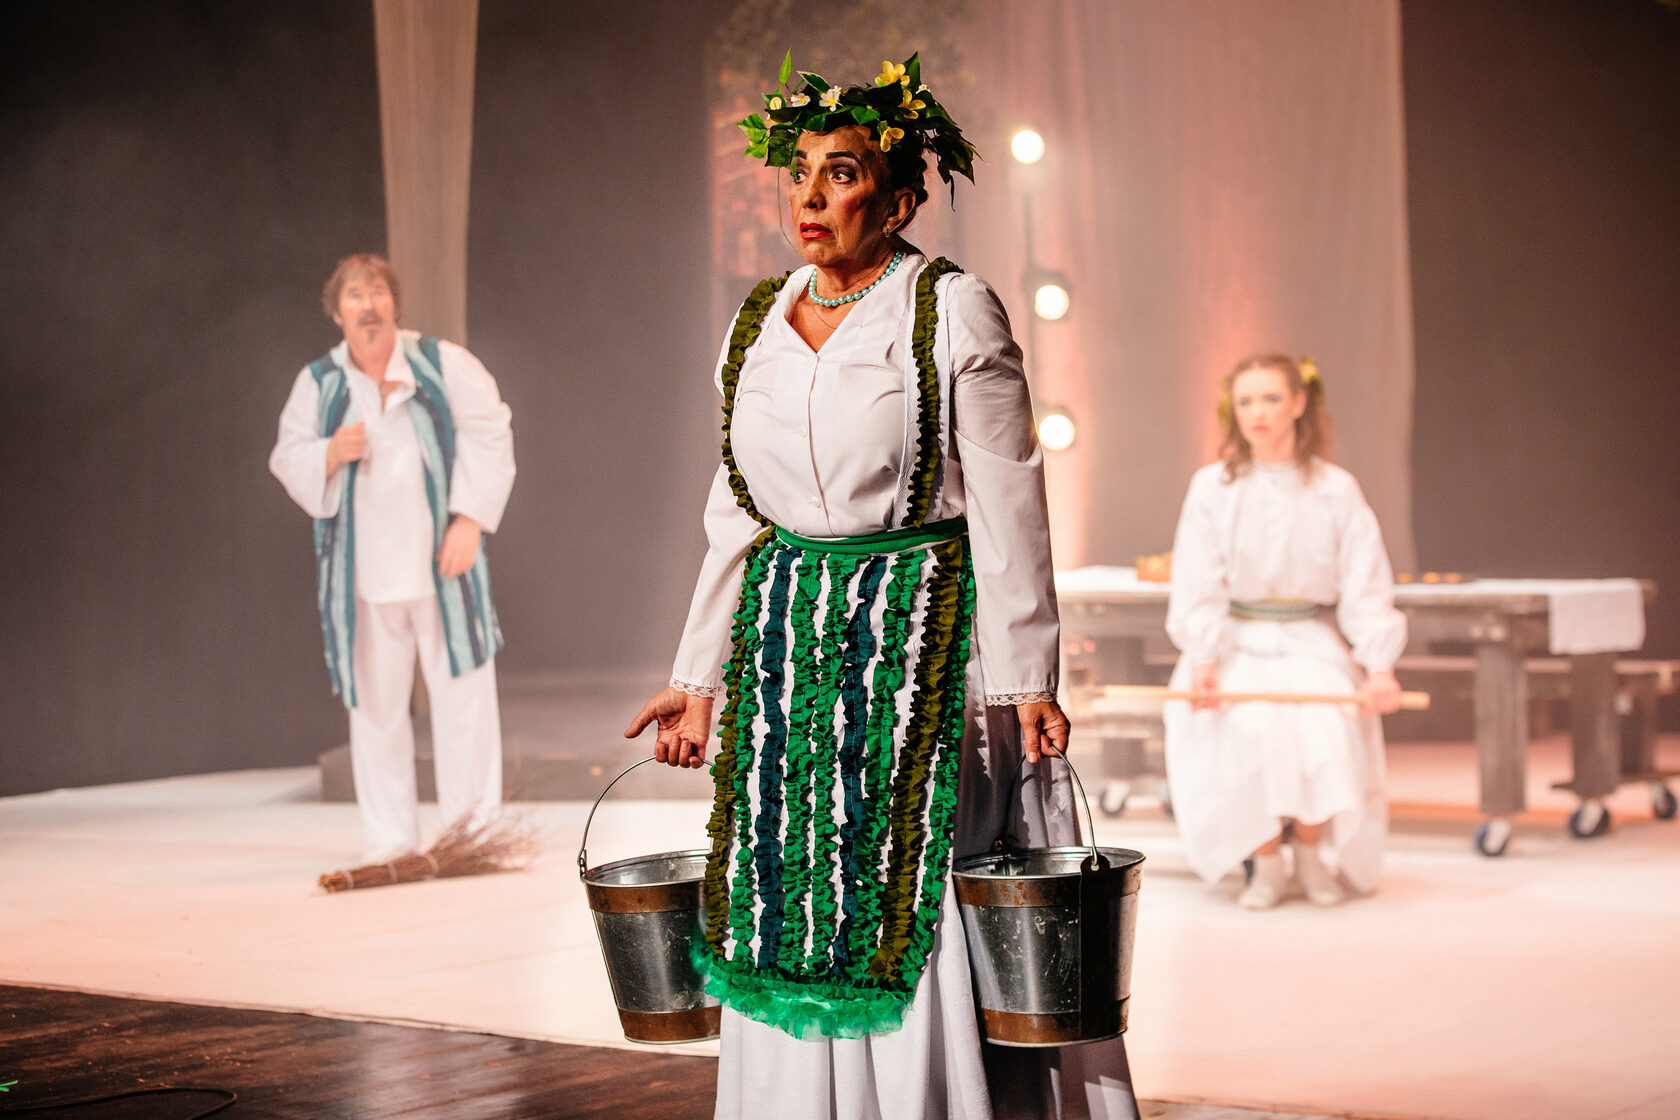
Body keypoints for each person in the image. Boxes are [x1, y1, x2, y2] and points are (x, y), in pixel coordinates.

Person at [624, 54, 1139, 1120]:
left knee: (907, 886)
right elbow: (736, 512)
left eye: (843, 173)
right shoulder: (757, 322)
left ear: (899, 200)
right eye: (801, 172)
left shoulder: (950, 310)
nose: (810, 196)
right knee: (790, 884)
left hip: (922, 647)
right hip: (792, 648)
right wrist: (697, 677)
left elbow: (1009, 505)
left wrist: (1028, 681)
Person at [269, 254, 515, 864]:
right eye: (354, 295)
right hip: (364, 576)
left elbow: (491, 431)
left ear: (395, 304)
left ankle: (472, 835)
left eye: (377, 291)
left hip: (443, 565)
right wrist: (330, 452)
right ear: (337, 312)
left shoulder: (439, 363)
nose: (368, 305)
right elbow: (287, 456)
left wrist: (469, 519)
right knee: (376, 710)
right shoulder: (321, 383)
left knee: (463, 706)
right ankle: (390, 841)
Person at [1162, 354, 1406, 909]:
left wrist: (1379, 666)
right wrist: (1204, 660)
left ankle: (1312, 856)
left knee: (1324, 730)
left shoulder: (1336, 488)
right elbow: (1197, 579)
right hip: (1235, 643)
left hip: (1308, 640)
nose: (1258, 413)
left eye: (1271, 399)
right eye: (1246, 401)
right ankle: (1266, 864)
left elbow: (1366, 580)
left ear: (1299, 403)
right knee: (1248, 730)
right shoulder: (1213, 487)